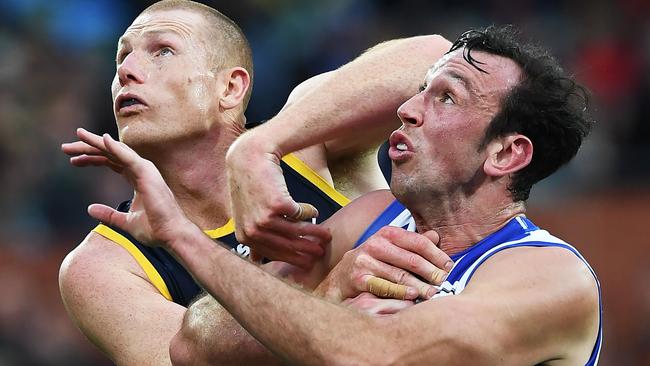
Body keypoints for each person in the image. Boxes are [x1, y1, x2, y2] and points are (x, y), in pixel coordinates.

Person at [77, 25, 602, 365]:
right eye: (420, 91)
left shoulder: (548, 277)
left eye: (445, 97)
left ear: (506, 155)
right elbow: (195, 346)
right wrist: (327, 287)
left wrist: (182, 237)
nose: (407, 108)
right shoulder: (370, 217)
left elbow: (377, 354)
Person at [58, 0, 452, 365]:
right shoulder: (101, 264)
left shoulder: (304, 140)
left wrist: (257, 148)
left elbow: (440, 58)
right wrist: (328, 288)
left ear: (230, 88)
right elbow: (183, 360)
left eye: (162, 51)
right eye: (123, 56)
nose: (126, 70)